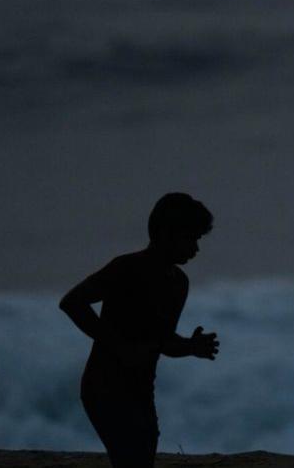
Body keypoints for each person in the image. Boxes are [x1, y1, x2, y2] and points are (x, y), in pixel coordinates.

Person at [60, 192, 220, 468]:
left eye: (198, 239)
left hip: (142, 391)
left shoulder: (178, 284)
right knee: (131, 458)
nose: (195, 248)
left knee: (140, 458)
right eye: (190, 238)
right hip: (104, 387)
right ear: (166, 234)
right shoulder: (126, 268)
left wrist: (190, 347)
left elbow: (163, 341)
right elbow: (72, 302)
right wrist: (118, 344)